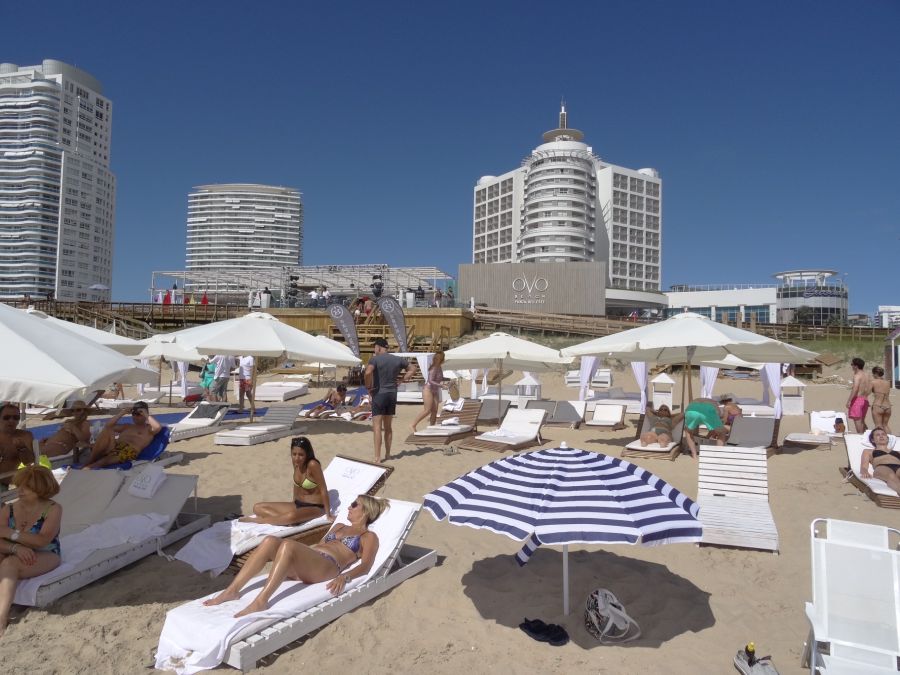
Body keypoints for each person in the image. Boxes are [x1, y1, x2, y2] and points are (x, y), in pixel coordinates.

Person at [204, 494, 388, 617]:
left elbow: (366, 565)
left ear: (365, 512)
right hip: (310, 562)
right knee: (269, 541)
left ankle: (261, 601)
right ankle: (232, 591)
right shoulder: (339, 527)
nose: (349, 507)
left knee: (289, 545)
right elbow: (319, 545)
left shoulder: (368, 536)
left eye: (354, 505)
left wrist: (345, 577)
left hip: (327, 567)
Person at [0, 465, 62, 636]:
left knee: (9, 563)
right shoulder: (9, 509)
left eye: (26, 486)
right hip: (16, 550)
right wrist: (15, 547)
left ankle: (1, 617)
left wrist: (11, 534)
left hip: (47, 553)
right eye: (19, 485)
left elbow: (42, 540)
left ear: (40, 487)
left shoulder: (53, 509)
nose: (20, 490)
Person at [241, 436, 330, 526]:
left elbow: (323, 489)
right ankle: (284, 521)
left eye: (301, 455)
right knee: (258, 508)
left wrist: (328, 515)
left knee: (291, 516)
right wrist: (293, 503)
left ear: (307, 454)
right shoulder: (296, 463)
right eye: (294, 454)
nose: (297, 458)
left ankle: (261, 521)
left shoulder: (313, 464)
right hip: (297, 504)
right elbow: (296, 486)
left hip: (314, 507)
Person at [365, 338, 416, 463]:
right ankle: (388, 454)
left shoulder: (375, 359)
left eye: (375, 347)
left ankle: (377, 457)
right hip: (392, 394)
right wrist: (402, 380)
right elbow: (413, 368)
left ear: (378, 347)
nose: (374, 350)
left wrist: (368, 387)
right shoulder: (397, 359)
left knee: (377, 427)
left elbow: (368, 372)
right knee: (388, 427)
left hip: (379, 394)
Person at [81, 401, 161, 468]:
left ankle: (87, 468)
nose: (135, 417)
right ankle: (90, 461)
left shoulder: (148, 429)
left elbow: (158, 427)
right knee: (108, 429)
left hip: (129, 450)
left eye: (139, 414)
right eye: (134, 414)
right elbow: (108, 426)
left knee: (103, 461)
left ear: (145, 415)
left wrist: (146, 414)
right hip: (115, 446)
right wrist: (122, 413)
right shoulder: (127, 426)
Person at [410, 352, 446, 433]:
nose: (443, 360)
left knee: (435, 410)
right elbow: (430, 380)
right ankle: (413, 424)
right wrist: (442, 386)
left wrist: (449, 380)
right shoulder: (434, 368)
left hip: (435, 390)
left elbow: (441, 378)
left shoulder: (439, 367)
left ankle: (432, 428)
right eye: (443, 358)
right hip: (428, 389)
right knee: (427, 410)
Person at [860, 427, 900, 497]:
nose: (881, 436)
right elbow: (864, 466)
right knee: (891, 476)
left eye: (883, 434)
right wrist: (864, 472)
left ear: (887, 438)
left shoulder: (898, 452)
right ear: (873, 440)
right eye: (877, 435)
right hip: (882, 467)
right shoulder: (868, 451)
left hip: (898, 467)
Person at [0, 403, 33, 478]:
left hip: (4, 484)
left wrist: (22, 448)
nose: (11, 420)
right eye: (6, 417)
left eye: (16, 417)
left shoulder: (25, 436)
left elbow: (29, 462)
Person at [846, 357, 872, 434]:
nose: (852, 366)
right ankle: (867, 437)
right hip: (865, 400)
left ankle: (860, 438)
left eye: (852, 364)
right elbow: (870, 387)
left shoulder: (857, 375)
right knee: (862, 421)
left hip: (857, 400)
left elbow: (855, 388)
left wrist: (849, 401)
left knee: (858, 421)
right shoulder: (867, 375)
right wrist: (866, 395)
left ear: (856, 366)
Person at [871, 366, 892, 433]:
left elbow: (866, 392)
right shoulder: (888, 383)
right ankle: (890, 440)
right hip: (888, 405)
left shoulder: (873, 382)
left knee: (878, 426)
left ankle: (879, 441)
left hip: (878, 405)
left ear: (875, 374)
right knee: (885, 425)